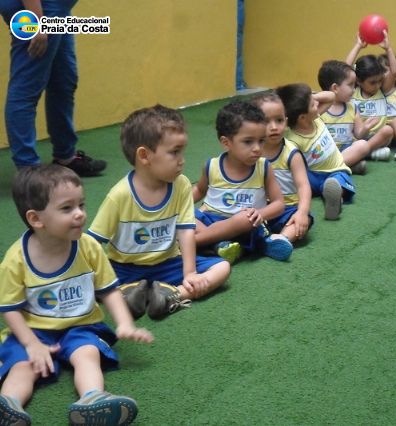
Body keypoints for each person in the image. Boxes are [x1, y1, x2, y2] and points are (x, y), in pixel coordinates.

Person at [0, 165, 154, 426]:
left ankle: (92, 400)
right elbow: (9, 308)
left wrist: (124, 323)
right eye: (67, 208)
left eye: (81, 205)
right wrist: (31, 344)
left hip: (81, 325)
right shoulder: (16, 260)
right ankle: (8, 405)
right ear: (36, 219)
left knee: (87, 353)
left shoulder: (89, 247)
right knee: (23, 365)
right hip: (34, 331)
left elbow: (109, 290)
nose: (80, 213)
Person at [87, 105, 230, 320]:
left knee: (222, 267)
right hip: (124, 268)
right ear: (144, 155)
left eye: (182, 151)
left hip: (168, 264)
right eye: (174, 152)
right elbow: (92, 243)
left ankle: (171, 296)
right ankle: (128, 293)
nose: (182, 159)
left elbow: (185, 231)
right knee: (87, 280)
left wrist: (190, 273)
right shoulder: (119, 195)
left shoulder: (181, 185)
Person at [0, 0, 107, 176]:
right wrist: (37, 22)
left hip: (55, 10)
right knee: (26, 89)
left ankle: (65, 157)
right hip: (39, 9)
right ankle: (29, 171)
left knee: (63, 81)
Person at [193, 100, 293, 262]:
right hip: (211, 220)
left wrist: (260, 214)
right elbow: (199, 190)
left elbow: (279, 203)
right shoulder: (212, 166)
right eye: (248, 142)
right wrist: (178, 206)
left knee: (244, 219)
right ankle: (221, 244)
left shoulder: (263, 167)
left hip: (245, 225)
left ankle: (195, 243)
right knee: (185, 217)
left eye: (261, 140)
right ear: (226, 143)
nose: (257, 148)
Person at [276, 83, 355, 221]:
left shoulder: (316, 117)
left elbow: (331, 96)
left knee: (338, 180)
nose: (317, 103)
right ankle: (331, 194)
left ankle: (334, 197)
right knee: (298, 177)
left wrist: (308, 98)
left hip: (335, 170)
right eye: (313, 104)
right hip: (312, 175)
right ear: (302, 118)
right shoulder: (293, 139)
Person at [251, 91, 314, 244]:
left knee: (303, 220)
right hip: (260, 209)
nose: (274, 127)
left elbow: (303, 186)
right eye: (266, 121)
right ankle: (233, 244)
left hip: (287, 209)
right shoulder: (251, 152)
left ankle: (281, 240)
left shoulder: (291, 153)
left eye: (279, 120)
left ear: (286, 121)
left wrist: (302, 212)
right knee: (242, 218)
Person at [317, 59, 392, 174]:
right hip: (325, 152)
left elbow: (359, 135)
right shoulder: (319, 109)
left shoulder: (352, 108)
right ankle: (346, 166)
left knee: (363, 145)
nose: (353, 90)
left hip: (347, 150)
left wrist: (366, 128)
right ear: (335, 88)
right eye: (350, 85)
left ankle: (338, 166)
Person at [345, 32, 396, 161]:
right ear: (358, 81)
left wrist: (388, 49)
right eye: (372, 82)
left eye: (380, 80)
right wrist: (358, 46)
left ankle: (362, 153)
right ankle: (369, 153)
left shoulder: (382, 89)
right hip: (357, 136)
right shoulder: (353, 91)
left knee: (388, 130)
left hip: (377, 137)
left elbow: (394, 72)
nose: (377, 85)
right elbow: (344, 70)